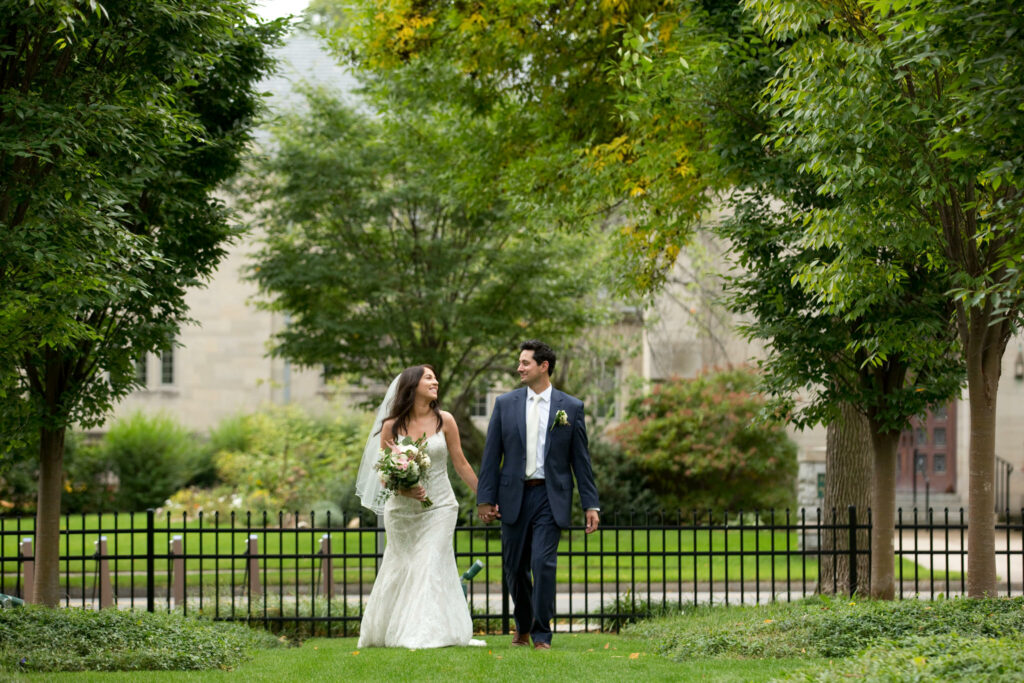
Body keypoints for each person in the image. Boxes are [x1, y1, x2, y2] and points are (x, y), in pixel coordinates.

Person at [476, 340, 600, 650]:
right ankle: (524, 624)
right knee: (515, 566)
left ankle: (542, 634)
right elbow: (492, 455)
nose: (519, 368)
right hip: (513, 496)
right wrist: (485, 498)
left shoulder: (571, 408)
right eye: (519, 362)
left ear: (543, 366)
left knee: (543, 563)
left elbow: (580, 461)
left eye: (525, 363)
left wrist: (590, 504)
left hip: (550, 496)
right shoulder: (504, 404)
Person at [355, 365, 485, 648]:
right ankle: (390, 629)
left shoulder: (445, 420)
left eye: (435, 377)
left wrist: (484, 496)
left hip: (440, 507)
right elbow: (383, 471)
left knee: (430, 562)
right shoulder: (392, 426)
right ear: (412, 385)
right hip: (401, 511)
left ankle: (425, 633)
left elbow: (460, 463)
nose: (435, 381)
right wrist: (405, 486)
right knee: (401, 566)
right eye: (428, 377)